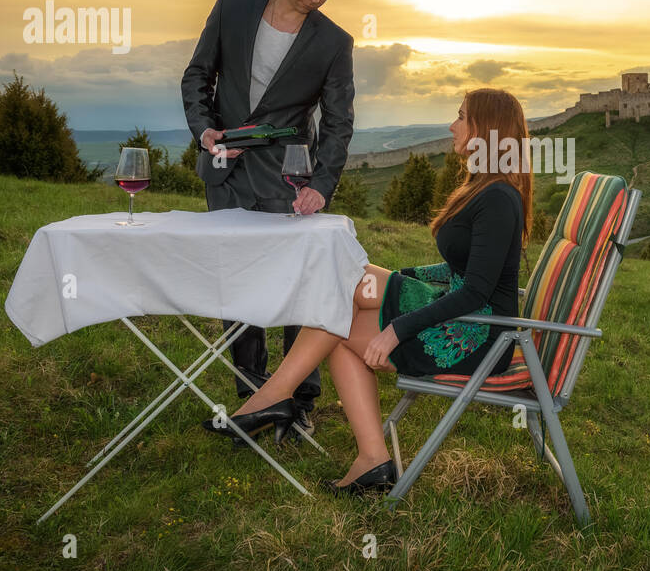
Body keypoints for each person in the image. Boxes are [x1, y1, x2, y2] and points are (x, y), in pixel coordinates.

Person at [202, 88, 532, 494]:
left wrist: (397, 329)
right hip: (463, 319)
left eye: (462, 117)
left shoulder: (498, 198)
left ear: (487, 128)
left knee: (339, 317)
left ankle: (276, 401)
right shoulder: (485, 188)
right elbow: (460, 270)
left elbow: (477, 291)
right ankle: (366, 458)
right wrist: (401, 275)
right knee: (342, 295)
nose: (452, 126)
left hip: (475, 337)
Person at [180, 0, 355, 435]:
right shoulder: (232, 7)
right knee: (236, 287)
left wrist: (321, 184)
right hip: (225, 173)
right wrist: (205, 131)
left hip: (289, 178)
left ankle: (298, 402)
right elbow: (197, 77)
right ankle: (251, 399)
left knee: (293, 289)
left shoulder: (335, 42)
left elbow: (339, 123)